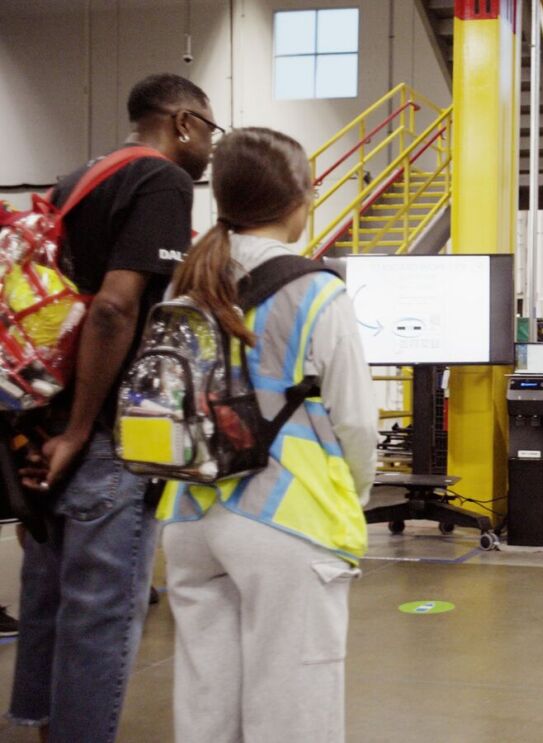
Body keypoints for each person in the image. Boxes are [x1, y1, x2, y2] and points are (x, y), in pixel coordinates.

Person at [7, 73, 216, 741]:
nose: (210, 146)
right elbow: (114, 307)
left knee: (51, 598)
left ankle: (39, 723)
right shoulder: (162, 180)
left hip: (45, 426)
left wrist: (48, 430)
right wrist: (78, 430)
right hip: (103, 435)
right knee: (101, 612)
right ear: (184, 122)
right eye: (210, 129)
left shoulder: (77, 179)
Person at [158, 127, 377, 743]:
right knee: (293, 707)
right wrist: (350, 496)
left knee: (207, 707)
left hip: (189, 512)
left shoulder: (191, 283)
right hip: (286, 517)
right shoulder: (316, 290)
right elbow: (356, 420)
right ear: (301, 197)